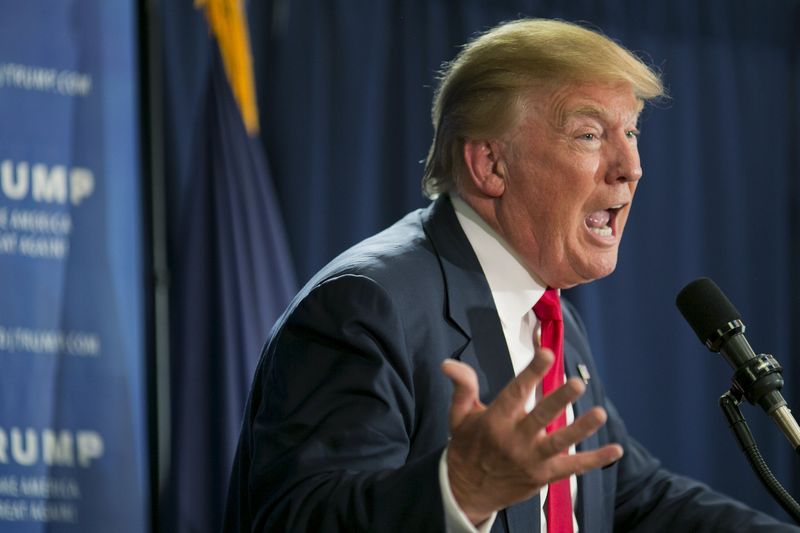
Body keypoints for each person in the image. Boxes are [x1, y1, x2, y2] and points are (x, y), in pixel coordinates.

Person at [223, 18, 800, 532]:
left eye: (632, 133)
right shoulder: (365, 307)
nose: (631, 168)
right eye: (590, 135)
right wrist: (459, 491)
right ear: (490, 164)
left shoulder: (550, 317)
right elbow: (294, 517)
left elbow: (625, 493)